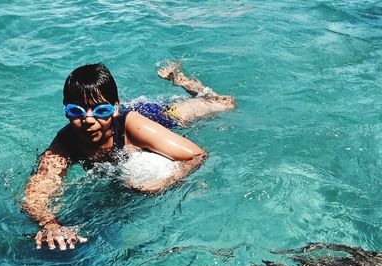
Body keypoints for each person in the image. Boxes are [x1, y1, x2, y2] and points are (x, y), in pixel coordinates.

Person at [22, 62, 235, 251]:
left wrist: (168, 181)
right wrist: (50, 224)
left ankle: (183, 81)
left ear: (114, 108)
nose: (88, 120)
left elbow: (197, 155)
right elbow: (36, 195)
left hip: (156, 118)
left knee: (221, 103)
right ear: (66, 111)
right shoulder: (63, 145)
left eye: (100, 110)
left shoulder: (134, 126)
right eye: (77, 111)